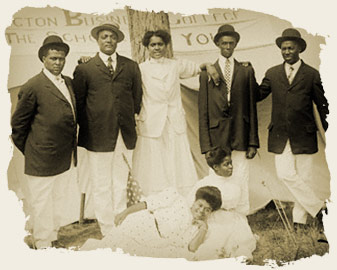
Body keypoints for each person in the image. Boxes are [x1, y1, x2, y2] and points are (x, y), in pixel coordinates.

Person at [72, 23, 143, 236]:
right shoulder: (85, 69)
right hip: (98, 136)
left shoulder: (130, 66)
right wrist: (93, 125)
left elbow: (136, 99)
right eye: (104, 36)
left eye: (112, 36)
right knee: (101, 184)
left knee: (120, 181)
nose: (109, 40)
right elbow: (79, 103)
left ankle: (121, 224)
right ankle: (107, 229)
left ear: (118, 40)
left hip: (124, 133)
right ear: (98, 40)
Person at [257, 28, 329, 228]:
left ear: (299, 49)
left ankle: (300, 221)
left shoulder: (312, 74)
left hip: (304, 134)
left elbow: (323, 106)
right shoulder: (272, 73)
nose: (287, 51)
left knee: (305, 177)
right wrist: (245, 74)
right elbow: (257, 94)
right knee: (284, 173)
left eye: (290, 48)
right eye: (284, 48)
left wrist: (328, 131)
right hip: (280, 134)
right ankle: (319, 207)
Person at [132, 30, 218, 196]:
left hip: (173, 120)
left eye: (160, 44)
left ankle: (179, 196)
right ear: (147, 47)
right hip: (152, 122)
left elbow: (196, 68)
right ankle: (154, 198)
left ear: (166, 46)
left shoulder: (174, 65)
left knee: (175, 157)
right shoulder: (140, 69)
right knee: (155, 160)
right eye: (153, 45)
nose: (157, 48)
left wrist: (209, 65)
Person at [11, 35, 77, 249]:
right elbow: (18, 126)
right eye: (53, 58)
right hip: (41, 157)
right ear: (43, 59)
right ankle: (42, 241)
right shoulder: (33, 85)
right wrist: (35, 149)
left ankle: (54, 235)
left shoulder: (68, 82)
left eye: (61, 58)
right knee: (41, 202)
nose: (58, 62)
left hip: (64, 156)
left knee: (59, 199)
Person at [198, 24, 259, 215]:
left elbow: (251, 107)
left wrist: (252, 142)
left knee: (241, 174)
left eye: (231, 43)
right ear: (217, 43)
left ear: (236, 44)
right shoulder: (207, 72)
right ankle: (216, 214)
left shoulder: (246, 70)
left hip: (241, 131)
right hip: (217, 134)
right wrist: (206, 144)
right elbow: (203, 110)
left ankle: (242, 216)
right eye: (224, 43)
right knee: (215, 176)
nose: (227, 46)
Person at [81, 186, 223, 260]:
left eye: (207, 210)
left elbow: (192, 248)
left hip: (157, 243)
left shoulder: (196, 228)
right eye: (200, 205)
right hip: (143, 224)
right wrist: (126, 212)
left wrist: (203, 228)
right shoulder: (177, 199)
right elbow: (148, 204)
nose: (201, 211)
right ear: (194, 200)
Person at [187, 147, 256, 259]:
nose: (231, 167)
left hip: (234, 217)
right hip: (214, 218)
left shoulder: (238, 180)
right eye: (226, 164)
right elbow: (191, 201)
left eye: (231, 163)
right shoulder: (206, 182)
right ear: (216, 167)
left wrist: (242, 219)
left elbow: (243, 204)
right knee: (215, 241)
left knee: (240, 241)